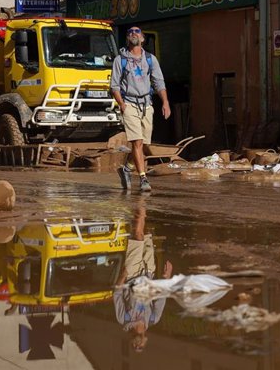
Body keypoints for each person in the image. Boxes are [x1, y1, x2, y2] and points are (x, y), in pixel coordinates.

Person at [111, 26, 171, 192]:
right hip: (129, 103)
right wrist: (122, 105)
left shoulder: (150, 59)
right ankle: (143, 178)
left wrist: (165, 102)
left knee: (144, 144)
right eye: (130, 32)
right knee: (136, 142)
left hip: (147, 105)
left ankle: (127, 169)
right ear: (127, 39)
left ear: (143, 39)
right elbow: (114, 86)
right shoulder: (120, 60)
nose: (133, 34)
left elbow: (159, 82)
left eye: (137, 32)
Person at [114, 197, 172, 353]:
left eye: (135, 346)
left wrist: (124, 275)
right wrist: (166, 277)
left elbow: (117, 295)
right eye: (141, 347)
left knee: (138, 235)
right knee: (146, 234)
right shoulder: (153, 318)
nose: (138, 344)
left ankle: (141, 201)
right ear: (145, 342)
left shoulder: (124, 319)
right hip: (148, 272)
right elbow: (161, 297)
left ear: (131, 342)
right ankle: (138, 207)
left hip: (132, 273)